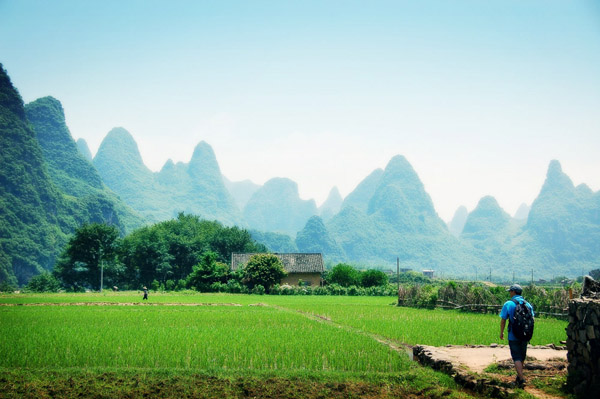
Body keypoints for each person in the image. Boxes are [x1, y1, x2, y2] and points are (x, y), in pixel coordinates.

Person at [499, 284, 534, 388]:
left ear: (514, 292)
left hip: (513, 335)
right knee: (522, 355)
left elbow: (503, 320)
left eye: (510, 291)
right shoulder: (528, 304)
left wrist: (501, 332)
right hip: (525, 335)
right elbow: (532, 320)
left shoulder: (509, 304)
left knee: (516, 356)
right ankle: (519, 377)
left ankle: (522, 378)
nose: (509, 293)